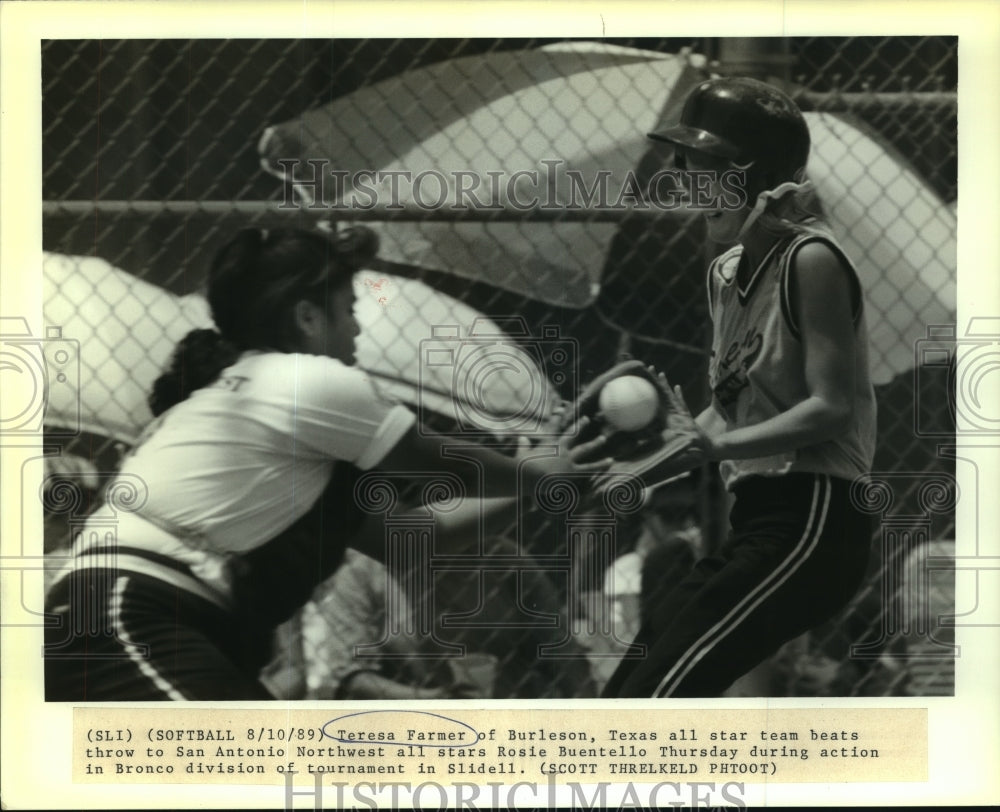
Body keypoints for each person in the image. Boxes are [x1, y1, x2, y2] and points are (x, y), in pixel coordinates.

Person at [44, 225, 607, 701]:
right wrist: (537, 472)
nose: (359, 328)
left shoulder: (285, 440)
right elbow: (436, 461)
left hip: (166, 623)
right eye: (350, 310)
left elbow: (407, 538)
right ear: (309, 316)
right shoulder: (300, 379)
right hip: (129, 613)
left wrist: (533, 487)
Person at [601, 76, 877, 698]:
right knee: (629, 689)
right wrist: (642, 468)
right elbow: (727, 412)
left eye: (704, 168)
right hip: (760, 522)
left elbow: (830, 409)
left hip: (816, 521)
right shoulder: (726, 272)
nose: (687, 184)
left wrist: (719, 450)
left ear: (754, 174)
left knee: (656, 699)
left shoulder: (811, 258)